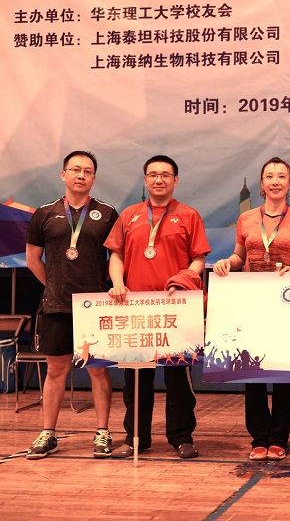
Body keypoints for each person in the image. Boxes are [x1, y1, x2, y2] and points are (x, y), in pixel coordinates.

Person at [105, 155, 210, 459]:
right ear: (145, 180)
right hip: (136, 310)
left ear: (176, 180)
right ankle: (135, 437)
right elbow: (116, 255)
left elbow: (199, 258)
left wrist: (184, 280)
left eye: (165, 175)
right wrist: (117, 283)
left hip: (175, 308)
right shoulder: (129, 215)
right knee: (136, 379)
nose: (159, 180)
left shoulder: (188, 215)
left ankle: (182, 437)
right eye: (153, 175)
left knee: (178, 378)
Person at [212, 157, 290, 462]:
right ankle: (258, 438)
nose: (275, 181)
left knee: (282, 373)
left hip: (286, 306)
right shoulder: (246, 219)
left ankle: (278, 438)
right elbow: (240, 256)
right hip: (251, 305)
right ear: (262, 183)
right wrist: (227, 263)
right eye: (270, 176)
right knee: (251, 371)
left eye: (281, 176)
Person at [24, 151, 118, 459]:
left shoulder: (107, 213)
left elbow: (117, 257)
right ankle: (47, 433)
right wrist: (54, 285)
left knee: (97, 370)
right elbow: (32, 259)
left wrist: (102, 285)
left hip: (95, 306)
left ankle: (102, 432)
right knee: (55, 370)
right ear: (63, 174)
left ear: (94, 179)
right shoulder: (44, 213)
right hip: (57, 304)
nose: (81, 175)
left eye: (87, 171)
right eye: (75, 169)